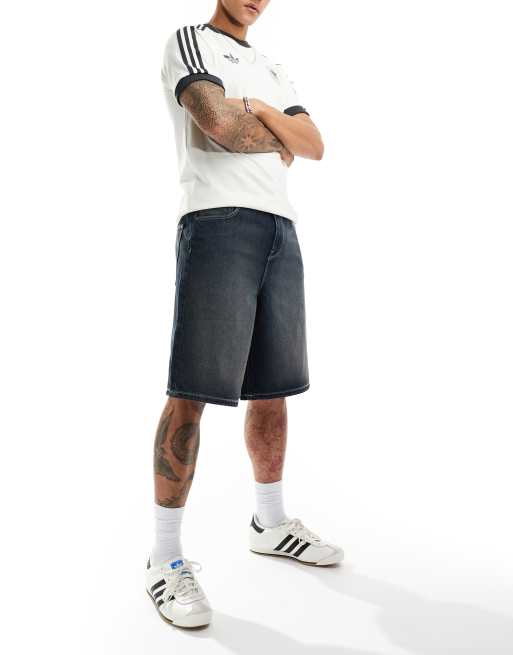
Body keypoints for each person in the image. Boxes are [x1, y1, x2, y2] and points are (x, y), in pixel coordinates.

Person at [146, 0, 343, 628]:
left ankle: (270, 521)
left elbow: (314, 146)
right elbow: (218, 127)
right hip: (217, 224)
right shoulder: (191, 40)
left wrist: (255, 109)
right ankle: (165, 557)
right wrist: (275, 130)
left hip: (280, 229)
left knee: (273, 389)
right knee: (192, 391)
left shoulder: (273, 67)